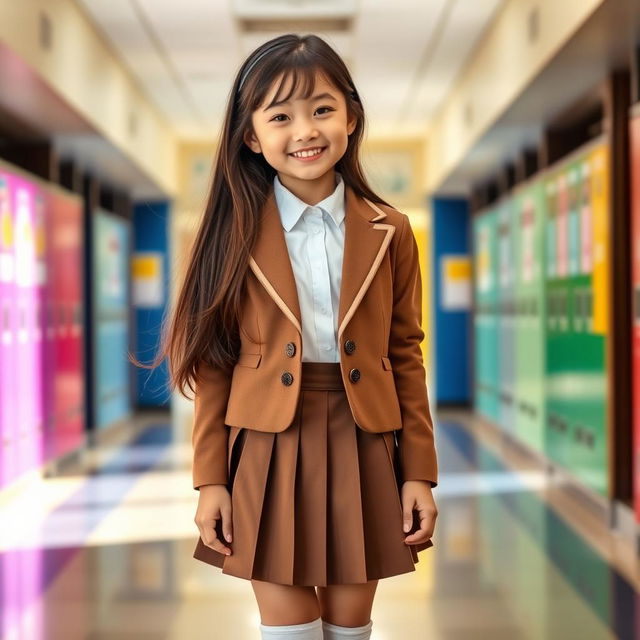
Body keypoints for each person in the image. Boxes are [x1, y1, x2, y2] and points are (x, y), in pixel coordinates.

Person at [141, 33, 439, 640]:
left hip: (364, 434)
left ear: (351, 117)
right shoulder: (231, 234)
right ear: (252, 136)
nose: (305, 129)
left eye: (322, 109)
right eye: (281, 116)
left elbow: (404, 352)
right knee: (288, 629)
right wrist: (211, 482)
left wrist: (419, 474)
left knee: (351, 627)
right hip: (266, 443)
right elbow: (215, 363)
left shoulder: (391, 231)